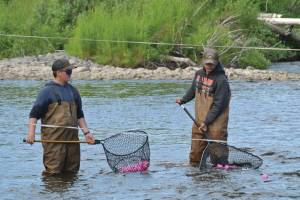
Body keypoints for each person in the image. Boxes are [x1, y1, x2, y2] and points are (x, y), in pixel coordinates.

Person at [26, 58, 95, 175]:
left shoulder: (74, 91)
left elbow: (79, 115)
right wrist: (31, 134)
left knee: (72, 174)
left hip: (73, 142)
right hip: (54, 143)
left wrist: (87, 133)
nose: (70, 74)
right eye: (68, 71)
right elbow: (34, 115)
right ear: (58, 73)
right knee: (53, 175)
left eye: (71, 71)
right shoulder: (46, 92)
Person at [176, 48, 231, 167]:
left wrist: (207, 122)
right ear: (203, 62)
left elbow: (219, 105)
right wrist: (183, 99)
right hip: (199, 121)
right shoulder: (199, 74)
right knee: (195, 154)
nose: (209, 66)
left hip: (216, 124)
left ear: (217, 63)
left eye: (212, 64)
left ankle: (218, 176)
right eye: (207, 64)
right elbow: (193, 90)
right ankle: (196, 176)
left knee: (218, 160)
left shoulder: (221, 81)